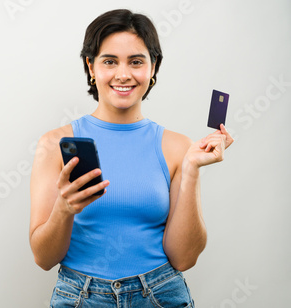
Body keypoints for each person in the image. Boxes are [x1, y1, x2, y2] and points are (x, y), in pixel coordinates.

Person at [29, 8, 233, 308]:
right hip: (80, 298)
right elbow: (43, 258)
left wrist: (190, 169)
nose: (123, 74)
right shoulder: (54, 144)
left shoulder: (178, 147)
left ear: (153, 68)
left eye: (136, 62)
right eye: (109, 61)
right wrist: (64, 209)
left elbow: (185, 258)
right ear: (91, 66)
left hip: (160, 295)